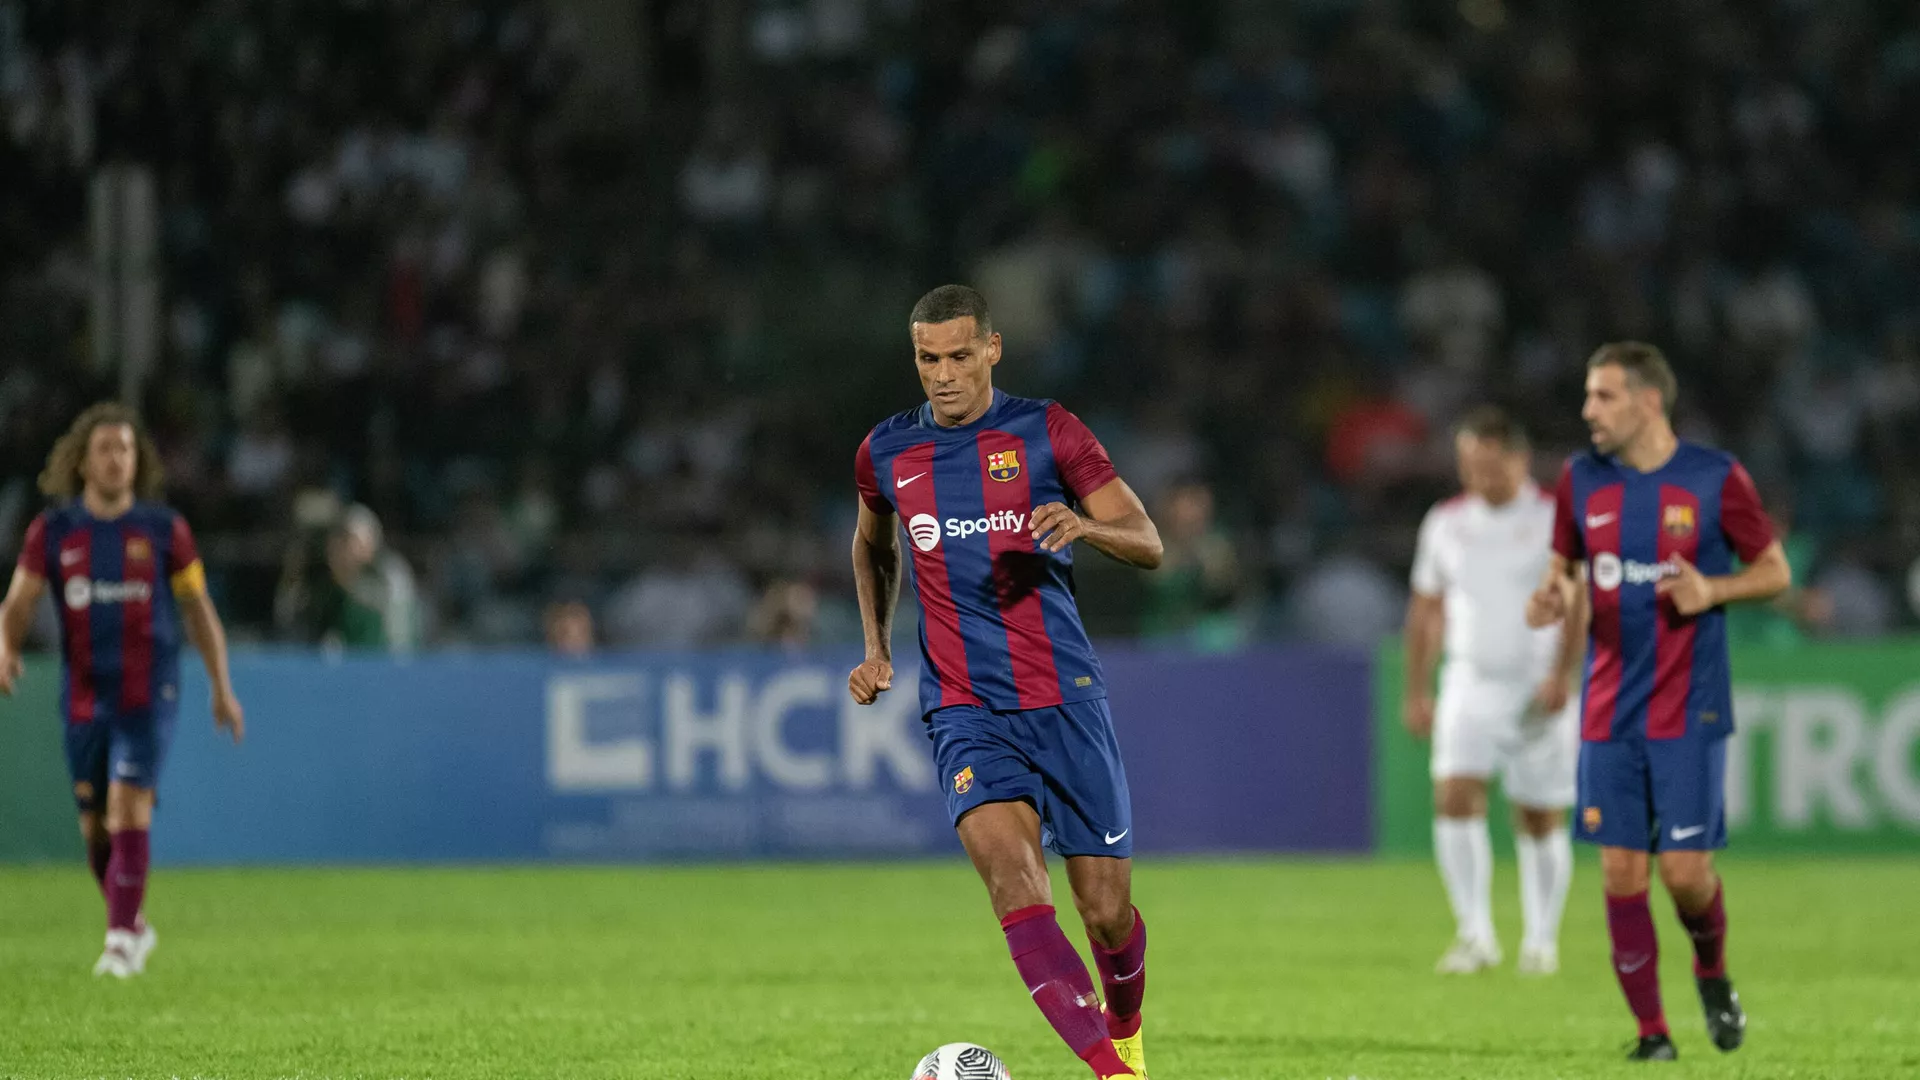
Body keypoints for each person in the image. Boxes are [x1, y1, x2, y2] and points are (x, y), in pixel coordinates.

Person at [847, 285, 1163, 1079]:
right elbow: (874, 546)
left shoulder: (1048, 432)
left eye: (959, 356)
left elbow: (1148, 540)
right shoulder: (886, 451)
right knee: (1017, 888)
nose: (943, 374)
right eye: (927, 359)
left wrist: (1085, 525)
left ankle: (1125, 1025)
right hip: (965, 707)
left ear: (992, 349)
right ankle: (1115, 1073)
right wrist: (877, 646)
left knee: (1106, 912)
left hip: (1065, 699)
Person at [1528, 343, 1790, 1061]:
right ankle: (1653, 1035)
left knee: (1685, 875)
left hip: (1689, 708)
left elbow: (1774, 571)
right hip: (1608, 707)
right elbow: (1564, 565)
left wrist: (1714, 589)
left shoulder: (1715, 477)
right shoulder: (1580, 479)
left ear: (1648, 402)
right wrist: (1552, 593)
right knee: (1620, 871)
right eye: (1588, 395)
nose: (1588, 410)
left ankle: (1711, 969)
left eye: (1603, 396)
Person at [0, 403, 245, 978]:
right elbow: (19, 602)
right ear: (83, 463)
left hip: (149, 693)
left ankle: (117, 942)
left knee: (127, 805)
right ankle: (133, 922)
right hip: (84, 695)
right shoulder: (53, 532)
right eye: (106, 449)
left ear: (138, 461)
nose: (117, 459)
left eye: (127, 449)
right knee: (95, 828)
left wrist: (221, 685)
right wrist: (5, 647)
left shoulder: (164, 530)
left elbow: (198, 610)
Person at [1404, 407, 1583, 976]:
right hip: (1468, 679)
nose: (1479, 475)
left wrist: (1564, 674)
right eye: (1469, 464)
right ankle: (1475, 934)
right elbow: (1426, 608)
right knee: (1454, 796)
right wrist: (1417, 689)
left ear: (1519, 459)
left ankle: (1541, 941)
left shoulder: (1554, 518)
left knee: (1538, 815)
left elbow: (1578, 603)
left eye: (1489, 463)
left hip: (1535, 684)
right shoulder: (1445, 523)